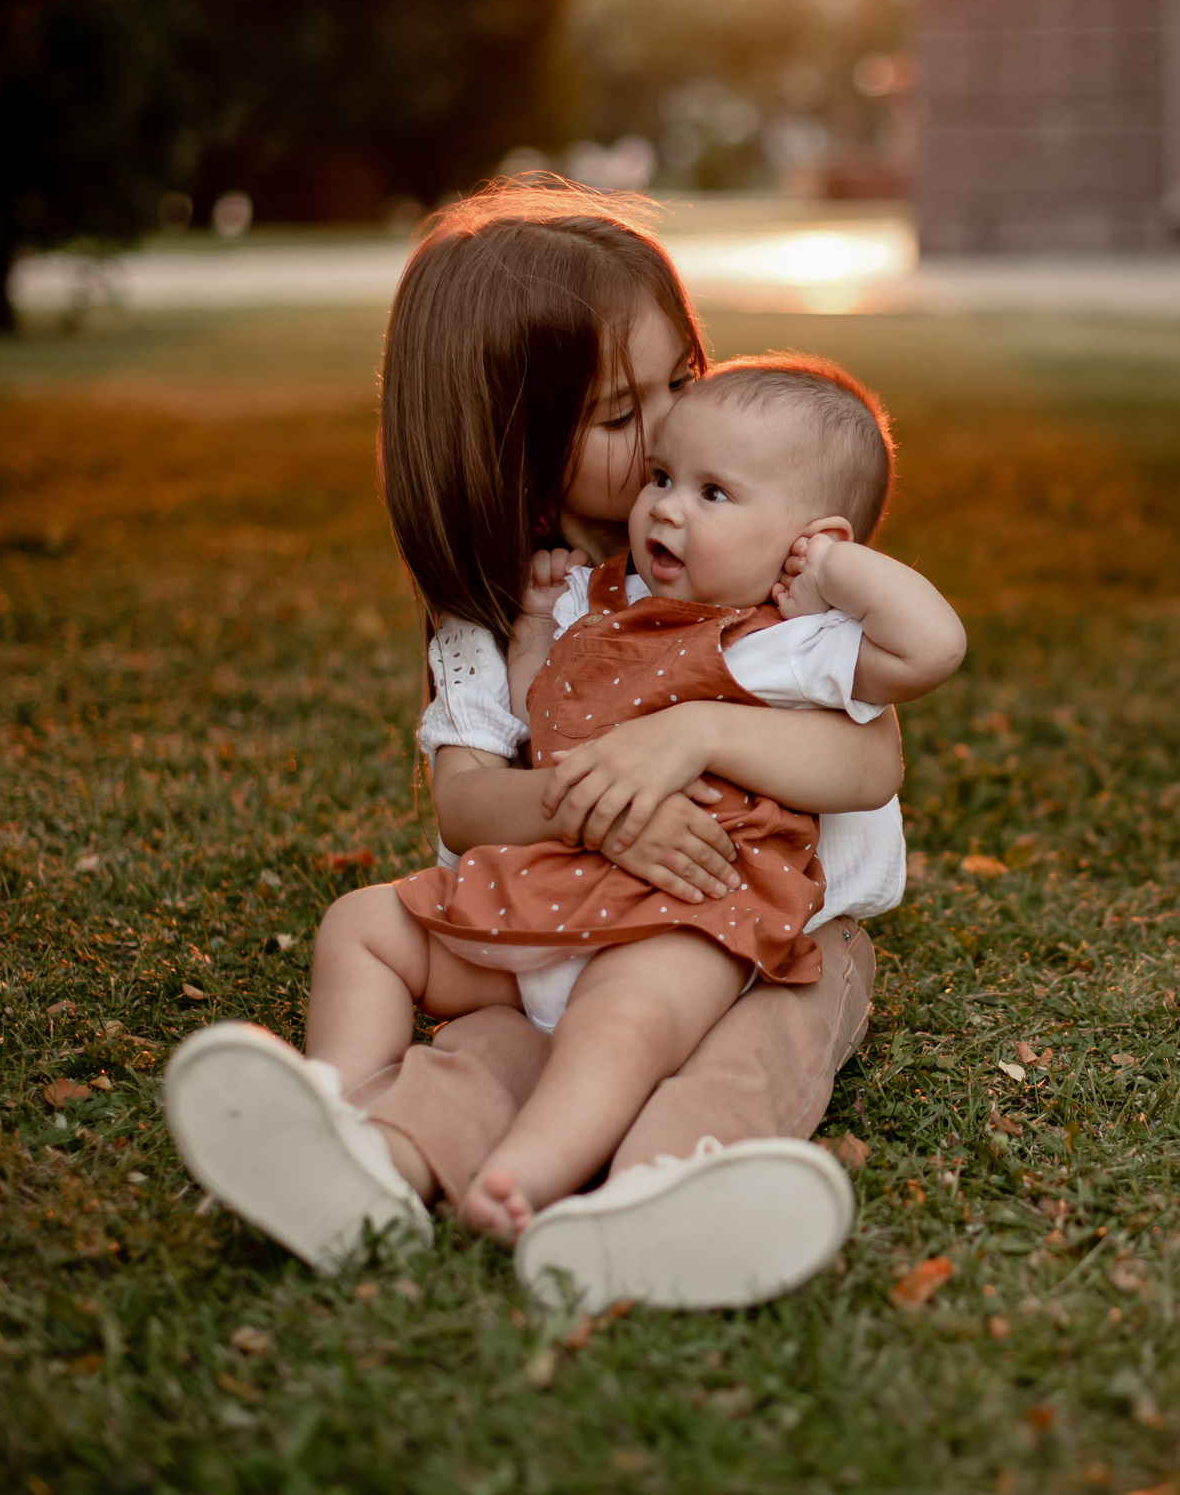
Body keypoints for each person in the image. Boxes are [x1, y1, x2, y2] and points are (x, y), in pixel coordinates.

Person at [163, 185, 916, 1310]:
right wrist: (598, 808)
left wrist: (695, 733)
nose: (671, 426)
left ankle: (660, 1193)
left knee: (750, 1044)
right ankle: (357, 1145)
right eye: (621, 418)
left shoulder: (762, 568)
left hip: (773, 937)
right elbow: (467, 803)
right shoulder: (506, 612)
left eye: (684, 377)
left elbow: (870, 755)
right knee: (488, 1038)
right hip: (560, 917)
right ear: (512, 450)